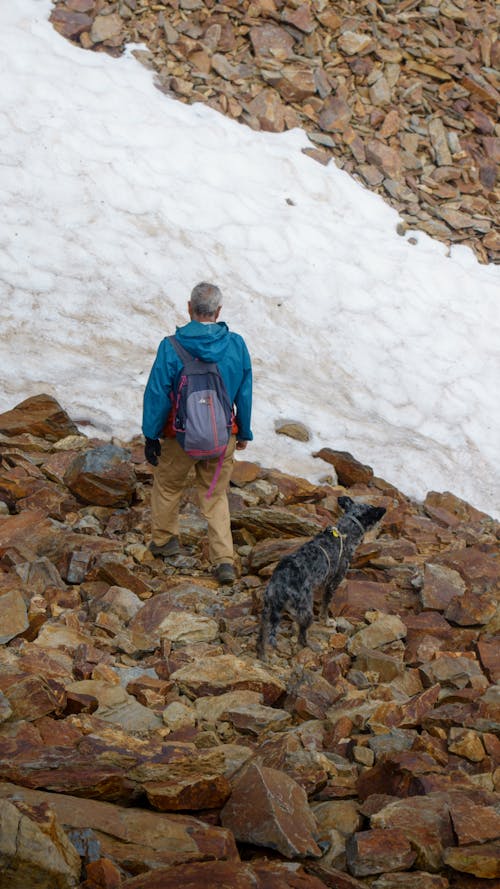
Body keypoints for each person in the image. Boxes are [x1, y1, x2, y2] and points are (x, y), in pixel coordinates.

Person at [142, 282, 253, 584]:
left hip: (180, 438)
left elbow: (157, 393)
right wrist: (244, 430)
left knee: (167, 487)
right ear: (218, 312)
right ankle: (224, 560)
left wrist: (150, 435)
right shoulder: (237, 345)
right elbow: (244, 391)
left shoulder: (171, 346)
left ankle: (165, 542)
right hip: (221, 440)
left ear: (189, 308)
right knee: (215, 495)